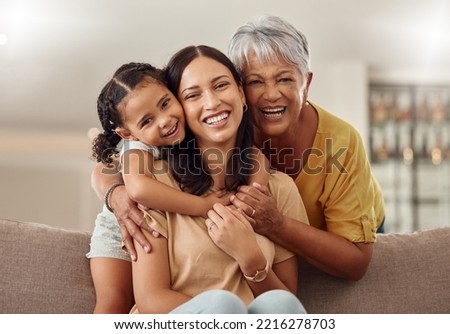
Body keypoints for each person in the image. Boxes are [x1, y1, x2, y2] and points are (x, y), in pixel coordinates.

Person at [129, 45, 308, 313]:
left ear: (241, 93)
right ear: (181, 111)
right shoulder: (158, 185)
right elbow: (150, 301)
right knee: (222, 304)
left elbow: (287, 306)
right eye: (193, 95)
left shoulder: (279, 188)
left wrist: (251, 259)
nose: (212, 103)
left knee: (281, 303)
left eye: (221, 85)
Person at [87, 62, 270, 313]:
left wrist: (255, 191)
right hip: (121, 222)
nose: (165, 121)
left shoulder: (195, 128)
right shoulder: (138, 149)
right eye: (148, 120)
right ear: (128, 133)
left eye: (165, 104)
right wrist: (203, 206)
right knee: (113, 302)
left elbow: (256, 156)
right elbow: (138, 189)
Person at [222, 15, 385, 281]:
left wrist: (277, 225)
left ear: (306, 84)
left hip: (359, 226)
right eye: (255, 82)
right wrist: (126, 189)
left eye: (284, 79)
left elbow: (356, 261)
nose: (271, 94)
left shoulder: (342, 141)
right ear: (239, 90)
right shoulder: (225, 132)